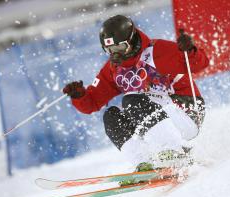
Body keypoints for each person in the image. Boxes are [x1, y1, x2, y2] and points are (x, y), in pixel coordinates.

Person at [63, 15, 209, 171]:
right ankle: (144, 162)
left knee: (131, 100)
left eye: (120, 48)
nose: (115, 55)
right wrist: (80, 96)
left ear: (132, 39)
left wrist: (190, 51)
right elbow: (92, 103)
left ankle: (175, 150)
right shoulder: (114, 68)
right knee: (111, 116)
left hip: (186, 111)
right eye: (110, 50)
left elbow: (199, 64)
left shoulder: (159, 50)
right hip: (158, 118)